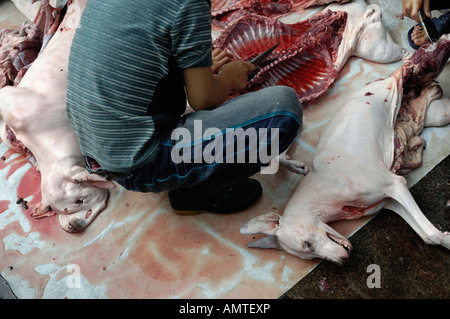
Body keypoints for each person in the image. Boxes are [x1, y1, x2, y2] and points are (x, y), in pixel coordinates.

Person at [65, 0, 303, 215]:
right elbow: (204, 100)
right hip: (140, 163)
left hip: (95, 149)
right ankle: (198, 193)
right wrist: (229, 79)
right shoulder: (188, 3)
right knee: (283, 110)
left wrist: (197, 71)